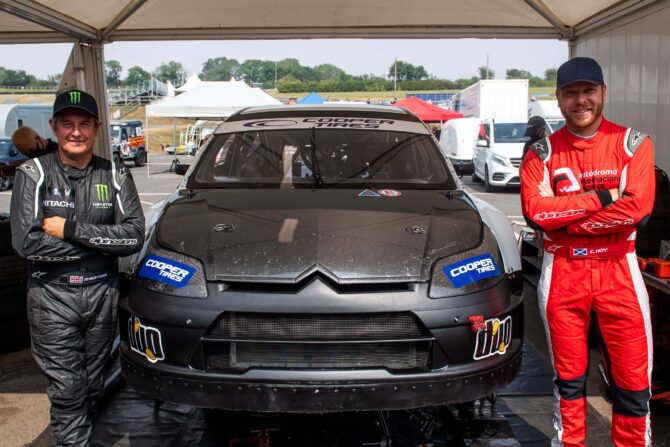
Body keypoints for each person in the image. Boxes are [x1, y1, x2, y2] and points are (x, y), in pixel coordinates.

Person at [521, 57, 655, 447]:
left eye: (588, 91)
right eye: (571, 93)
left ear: (603, 93)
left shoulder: (634, 143)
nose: (581, 100)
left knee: (633, 380)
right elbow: (536, 214)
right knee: (569, 378)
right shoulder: (541, 153)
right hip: (562, 274)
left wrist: (569, 223)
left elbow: (638, 209)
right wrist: (603, 197)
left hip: (620, 272)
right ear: (559, 100)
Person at [10, 89, 145, 446]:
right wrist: (99, 244)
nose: (76, 132)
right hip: (52, 297)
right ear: (53, 127)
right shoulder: (32, 172)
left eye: (84, 124)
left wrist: (69, 230)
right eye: (67, 124)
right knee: (68, 390)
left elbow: (132, 237)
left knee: (93, 384)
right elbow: (26, 242)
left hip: (102, 293)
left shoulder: (114, 173)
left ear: (97, 127)